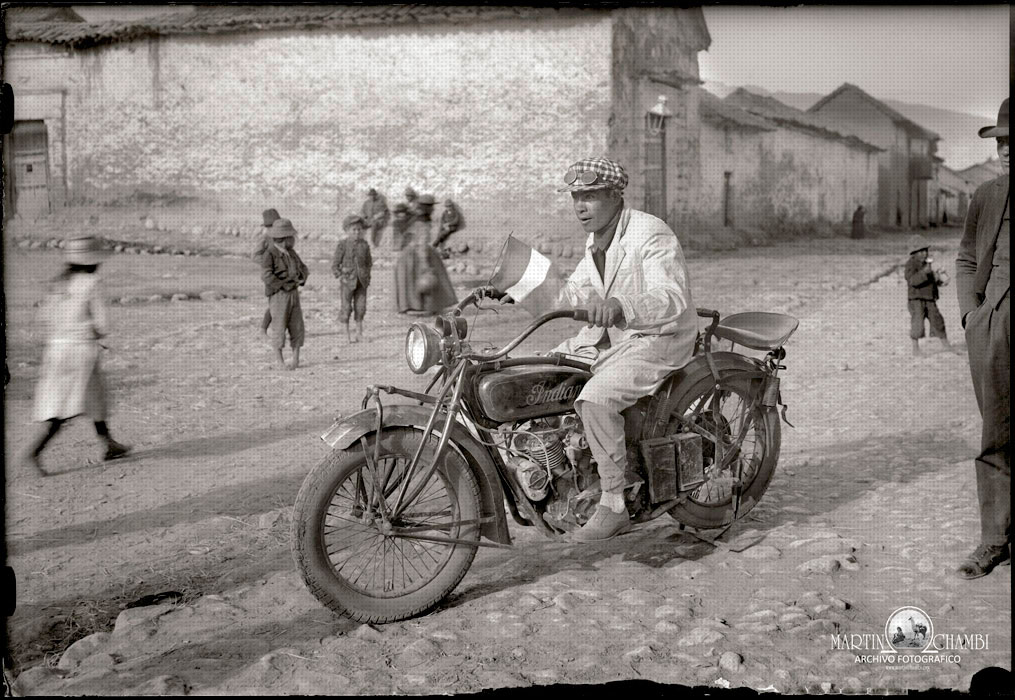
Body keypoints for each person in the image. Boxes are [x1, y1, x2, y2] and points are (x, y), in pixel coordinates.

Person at [486, 157, 697, 542]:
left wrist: (621, 306)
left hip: (657, 338)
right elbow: (573, 295)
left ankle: (614, 502)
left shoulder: (651, 233)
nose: (580, 206)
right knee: (532, 374)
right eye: (576, 197)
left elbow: (671, 296)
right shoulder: (596, 240)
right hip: (607, 340)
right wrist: (516, 284)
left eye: (591, 196)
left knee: (597, 399)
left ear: (616, 195)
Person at [954, 97, 1010, 579]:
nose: (1007, 150)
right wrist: (972, 314)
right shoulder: (986, 195)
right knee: (996, 432)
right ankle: (994, 539)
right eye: (1001, 142)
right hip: (992, 325)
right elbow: (967, 257)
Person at [21, 236, 130, 474]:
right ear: (95, 261)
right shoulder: (93, 283)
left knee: (90, 397)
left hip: (56, 350)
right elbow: (104, 324)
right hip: (81, 351)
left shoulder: (59, 283)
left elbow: (43, 317)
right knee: (70, 405)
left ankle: (110, 444)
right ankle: (36, 451)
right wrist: (94, 332)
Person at [393, 194, 458, 314]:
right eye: (431, 207)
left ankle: (412, 306)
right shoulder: (423, 223)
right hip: (417, 253)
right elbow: (421, 244)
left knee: (410, 280)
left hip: (406, 253)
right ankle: (427, 306)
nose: (433, 209)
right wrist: (425, 264)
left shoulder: (413, 219)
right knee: (431, 276)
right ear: (427, 208)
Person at [261, 218, 309, 370]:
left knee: (297, 326)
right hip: (279, 295)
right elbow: (266, 276)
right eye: (291, 238)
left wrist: (301, 278)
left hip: (293, 294)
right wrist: (283, 284)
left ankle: (295, 360)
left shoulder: (291, 253)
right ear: (284, 239)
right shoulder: (270, 254)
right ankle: (280, 362)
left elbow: (303, 268)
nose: (294, 240)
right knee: (279, 327)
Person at [904, 234, 953, 355]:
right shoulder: (911, 264)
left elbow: (930, 281)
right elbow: (912, 281)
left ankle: (946, 344)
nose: (924, 254)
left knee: (937, 320)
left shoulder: (927, 264)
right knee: (917, 323)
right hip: (916, 300)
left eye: (925, 251)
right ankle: (915, 348)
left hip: (930, 299)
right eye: (920, 252)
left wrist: (939, 280)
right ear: (913, 253)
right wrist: (924, 273)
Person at [332, 214, 373, 344]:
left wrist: (367, 276)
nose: (356, 232)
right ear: (347, 231)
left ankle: (359, 333)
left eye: (359, 230)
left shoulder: (365, 245)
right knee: (346, 307)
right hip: (347, 282)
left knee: (361, 307)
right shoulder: (343, 245)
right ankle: (346, 334)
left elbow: (369, 263)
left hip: (362, 282)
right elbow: (335, 264)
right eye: (353, 230)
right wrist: (340, 274)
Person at [253, 208, 281, 334]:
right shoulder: (265, 238)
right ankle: (263, 328)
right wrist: (269, 264)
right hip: (270, 275)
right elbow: (255, 256)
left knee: (283, 301)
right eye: (270, 226)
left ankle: (279, 328)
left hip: (283, 275)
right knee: (274, 303)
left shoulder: (283, 236)